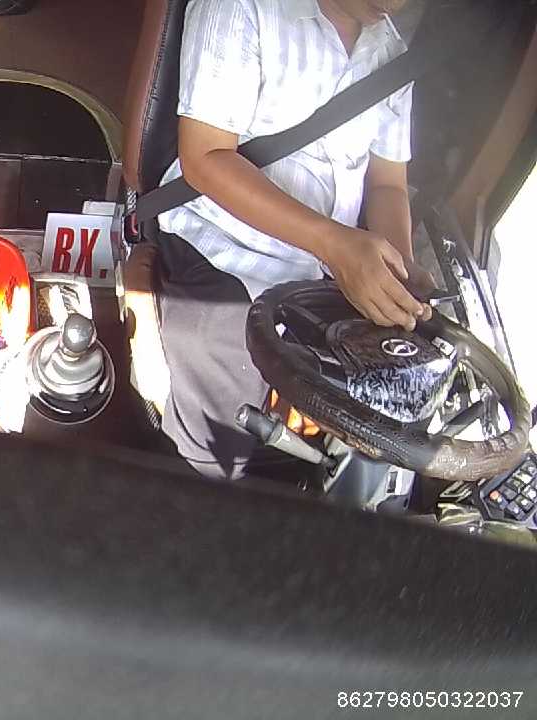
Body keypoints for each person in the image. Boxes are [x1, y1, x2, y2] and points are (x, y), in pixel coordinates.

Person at [153, 0, 435, 479]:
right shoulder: (243, 8)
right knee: (217, 436)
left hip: (324, 267)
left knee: (389, 408)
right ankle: (196, 485)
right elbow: (206, 158)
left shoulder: (391, 52)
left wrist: (396, 270)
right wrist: (334, 245)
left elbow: (387, 184)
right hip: (222, 247)